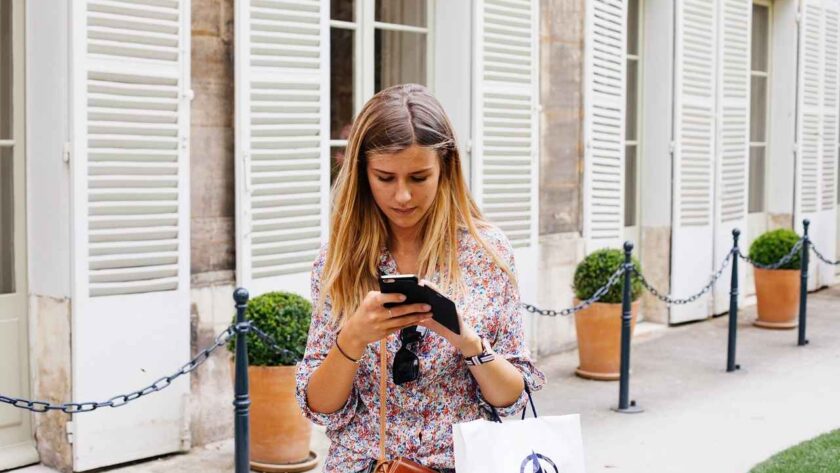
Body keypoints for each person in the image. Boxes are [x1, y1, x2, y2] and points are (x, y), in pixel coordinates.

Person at [295, 84, 546, 473]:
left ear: (445, 167)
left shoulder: (485, 252)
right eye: (385, 177)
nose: (402, 197)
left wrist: (467, 340)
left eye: (418, 177)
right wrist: (353, 338)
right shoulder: (338, 261)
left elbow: (511, 398)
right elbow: (320, 406)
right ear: (362, 173)